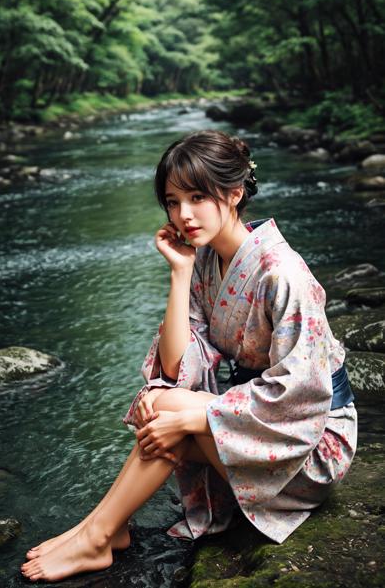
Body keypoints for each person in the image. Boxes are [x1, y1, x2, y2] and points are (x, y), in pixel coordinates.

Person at [21, 129, 357, 583]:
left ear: (235, 193)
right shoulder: (203, 260)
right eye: (173, 201)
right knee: (165, 402)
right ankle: (101, 531)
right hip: (254, 425)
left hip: (308, 444)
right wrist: (179, 273)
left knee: (170, 410)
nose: (183, 215)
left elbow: (302, 393)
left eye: (198, 197)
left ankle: (98, 535)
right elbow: (181, 368)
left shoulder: (283, 274)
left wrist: (195, 418)